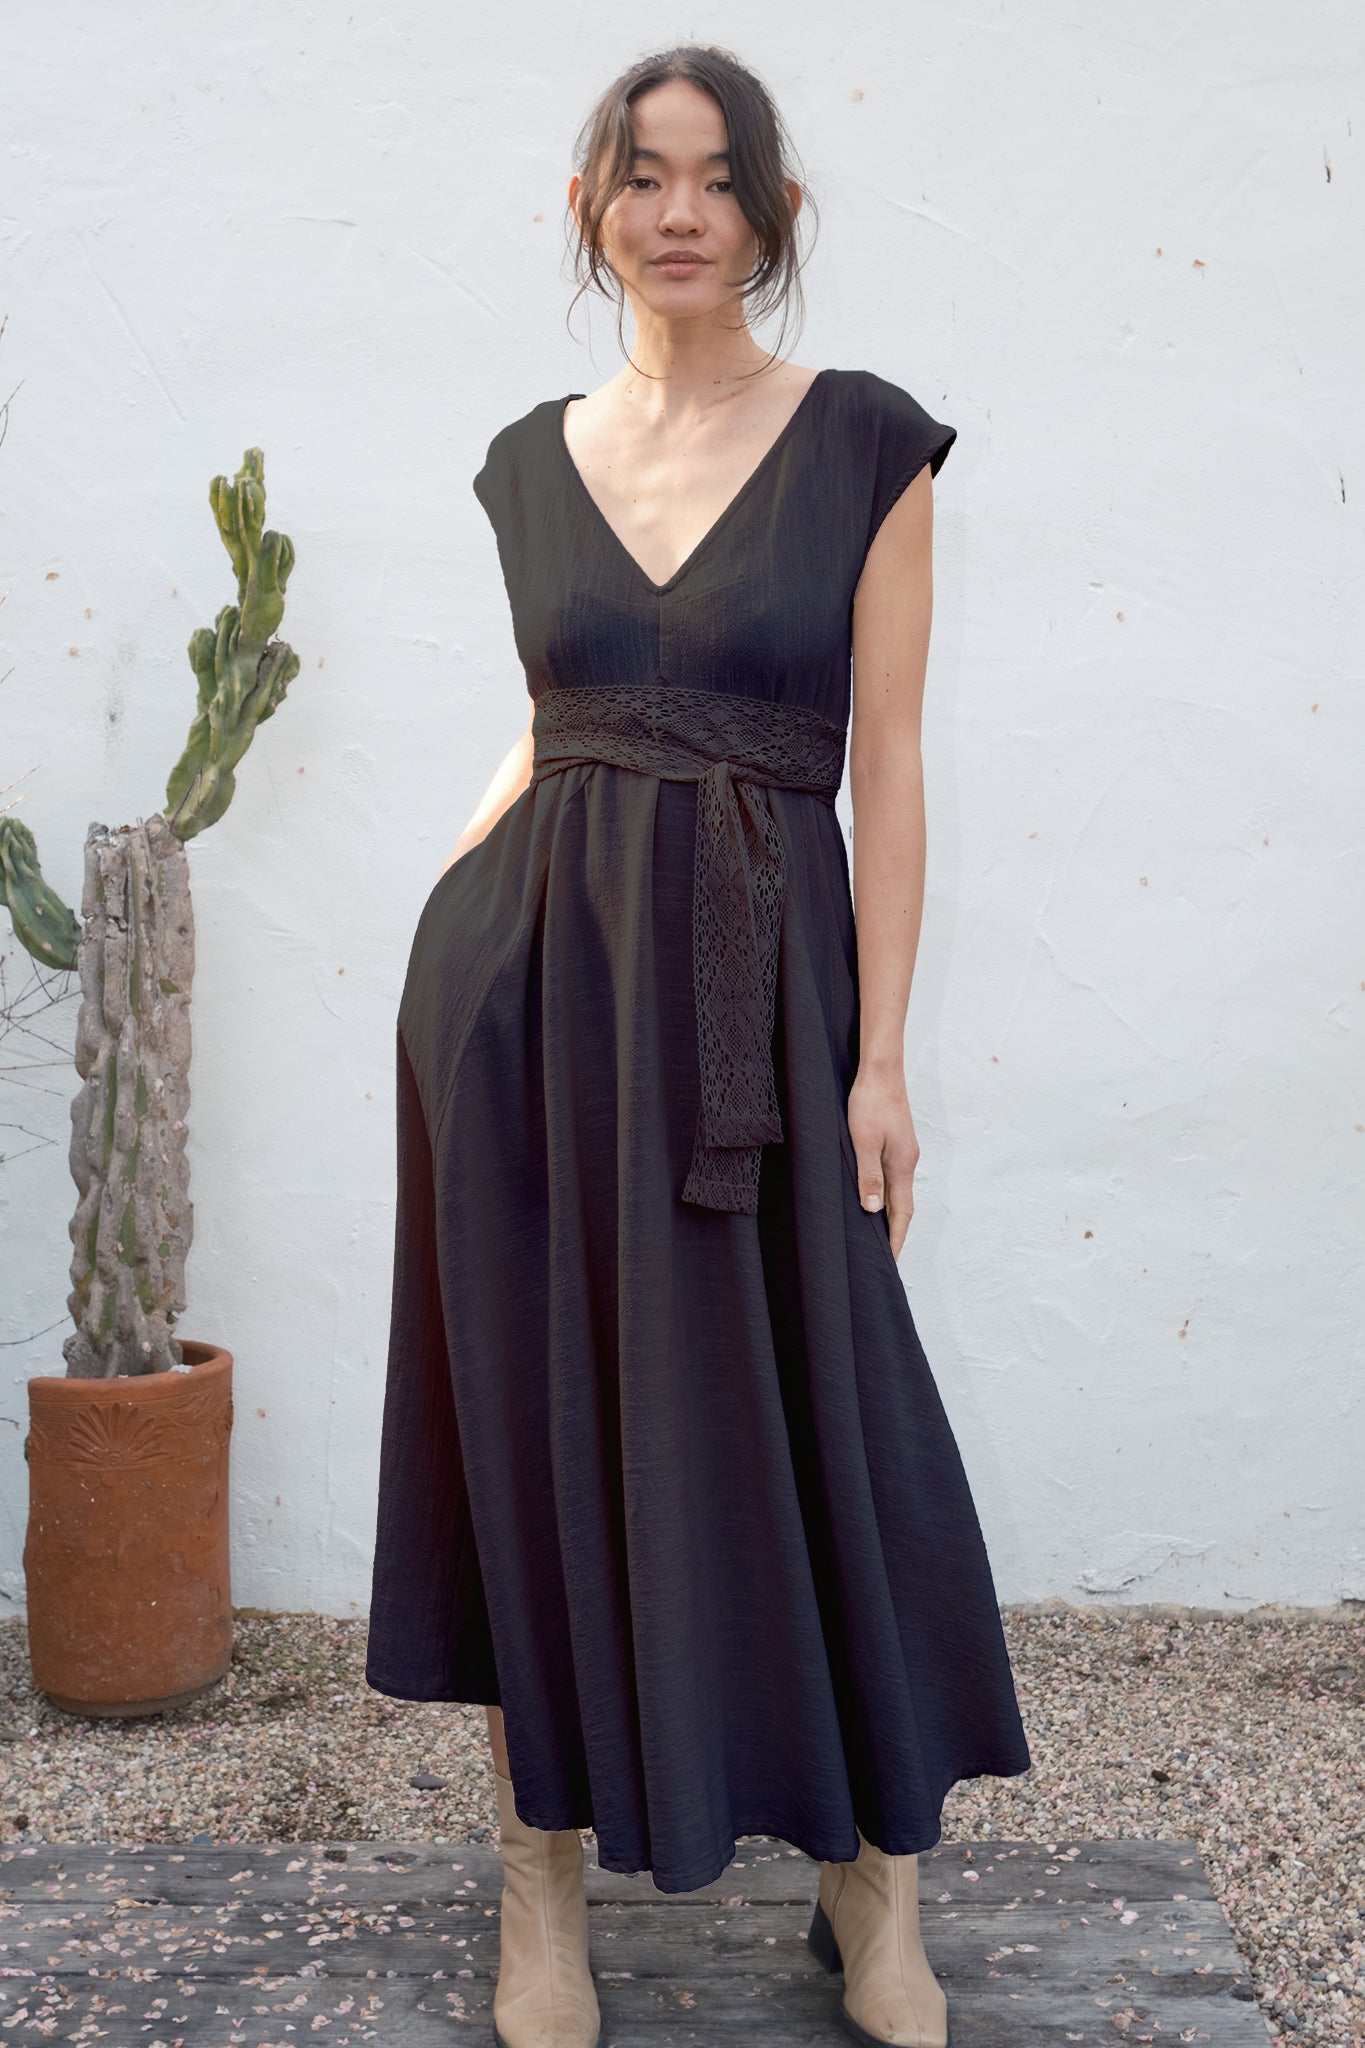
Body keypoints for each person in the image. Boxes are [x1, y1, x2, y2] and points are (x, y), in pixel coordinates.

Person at [366, 41, 1031, 2048]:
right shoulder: (519, 460)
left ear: (767, 213)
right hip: (529, 998)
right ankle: (539, 1883)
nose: (674, 209)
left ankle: (869, 1878)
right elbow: (565, 715)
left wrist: (881, 1055)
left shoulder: (858, 446)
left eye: (713, 176)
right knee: (544, 1420)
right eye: (639, 174)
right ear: (593, 209)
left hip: (766, 991)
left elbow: (890, 767)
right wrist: (448, 919)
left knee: (829, 1410)